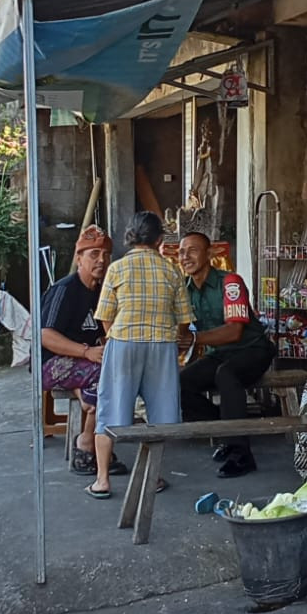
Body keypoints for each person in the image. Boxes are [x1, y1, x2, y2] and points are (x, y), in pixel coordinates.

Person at [88, 211, 194, 501]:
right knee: (159, 414)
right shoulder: (171, 270)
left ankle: (102, 480)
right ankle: (153, 475)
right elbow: (184, 319)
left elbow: (105, 316)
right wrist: (174, 335)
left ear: (130, 237)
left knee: (110, 410)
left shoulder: (117, 269)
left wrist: (115, 337)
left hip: (123, 344)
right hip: (161, 345)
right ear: (160, 239)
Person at [177, 231, 277, 478]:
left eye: (192, 250)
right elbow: (180, 331)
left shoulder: (230, 282)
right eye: (181, 251)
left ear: (209, 254)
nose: (185, 256)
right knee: (179, 384)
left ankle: (241, 454)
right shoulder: (184, 290)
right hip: (220, 353)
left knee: (227, 374)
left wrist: (194, 339)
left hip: (253, 349)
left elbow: (234, 332)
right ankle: (228, 432)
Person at [38, 225, 125, 477]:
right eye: (93, 254)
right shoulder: (64, 290)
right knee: (103, 376)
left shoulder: (102, 292)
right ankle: (86, 444)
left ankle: (88, 406)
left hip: (86, 363)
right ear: (79, 258)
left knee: (116, 370)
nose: (101, 260)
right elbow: (45, 336)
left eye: (105, 255)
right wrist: (87, 352)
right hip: (52, 363)